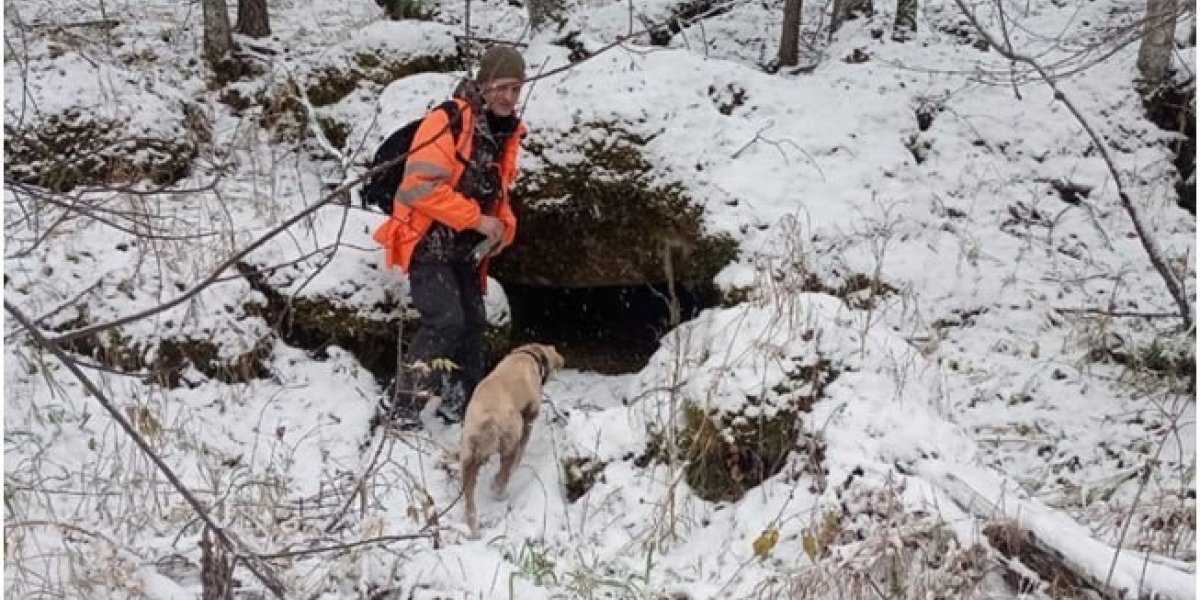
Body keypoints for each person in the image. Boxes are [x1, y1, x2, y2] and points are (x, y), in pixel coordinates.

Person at [372, 45, 527, 430]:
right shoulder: (450, 120)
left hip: (462, 249)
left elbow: (498, 195)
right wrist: (476, 220)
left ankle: (460, 402)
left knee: (474, 322)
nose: (508, 97)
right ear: (484, 84)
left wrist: (503, 227)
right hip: (426, 241)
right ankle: (401, 403)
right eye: (501, 87)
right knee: (445, 321)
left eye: (516, 89)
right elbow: (418, 188)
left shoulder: (504, 133)